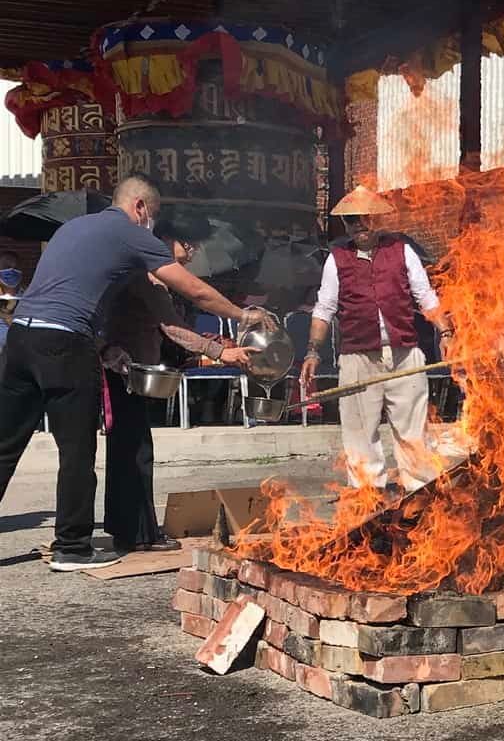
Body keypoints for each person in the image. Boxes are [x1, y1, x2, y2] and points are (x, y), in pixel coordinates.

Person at [0, 176, 267, 571]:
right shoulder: (131, 233)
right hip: (65, 344)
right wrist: (243, 315)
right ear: (140, 207)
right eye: (153, 217)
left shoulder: (73, 228)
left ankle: (77, 540)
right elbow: (195, 292)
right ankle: (72, 548)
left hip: (21, 337)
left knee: (5, 445)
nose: (153, 228)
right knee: (77, 452)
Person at [100, 216, 252, 552]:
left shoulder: (157, 284)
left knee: (133, 450)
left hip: (135, 372)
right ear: (162, 242)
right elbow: (174, 328)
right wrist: (218, 352)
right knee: (135, 453)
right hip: (123, 371)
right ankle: (138, 535)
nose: (192, 249)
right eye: (185, 242)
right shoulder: (143, 280)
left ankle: (131, 530)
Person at [299, 185, 454, 492]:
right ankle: (367, 496)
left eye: (366, 218)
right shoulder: (337, 259)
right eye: (352, 220)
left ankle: (418, 491)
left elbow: (426, 296)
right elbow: (325, 308)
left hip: (404, 352)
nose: (360, 225)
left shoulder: (401, 250)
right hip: (358, 357)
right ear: (346, 225)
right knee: (359, 432)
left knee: (412, 431)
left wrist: (446, 332)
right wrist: (313, 352)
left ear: (377, 219)